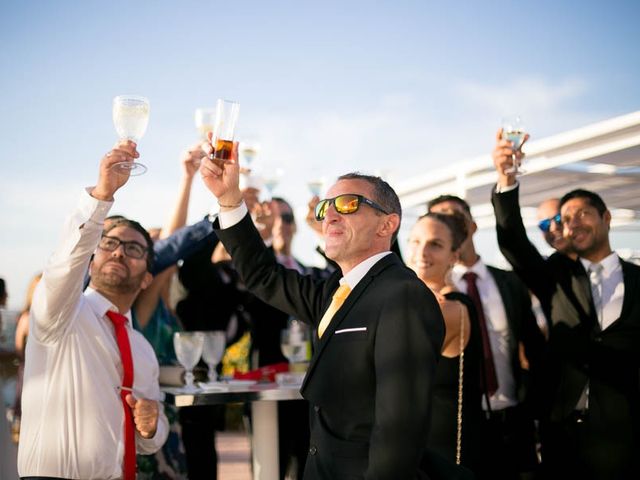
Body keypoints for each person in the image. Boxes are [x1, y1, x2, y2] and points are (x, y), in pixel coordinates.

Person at [199, 139, 445, 479]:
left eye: (346, 204)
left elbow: (399, 431)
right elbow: (264, 276)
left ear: (387, 224)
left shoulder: (402, 296)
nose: (328, 214)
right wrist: (229, 199)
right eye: (323, 208)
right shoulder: (336, 291)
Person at [491, 129, 640, 479]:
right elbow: (513, 242)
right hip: (562, 428)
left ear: (607, 218)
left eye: (583, 213)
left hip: (626, 430)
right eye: (566, 218)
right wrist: (506, 179)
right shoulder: (555, 274)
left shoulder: (638, 279)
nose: (572, 223)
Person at [17, 141, 169, 479]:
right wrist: (102, 195)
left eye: (133, 249)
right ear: (93, 256)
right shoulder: (61, 313)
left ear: (146, 279)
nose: (118, 253)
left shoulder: (142, 350)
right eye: (110, 244)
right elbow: (63, 264)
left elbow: (150, 440)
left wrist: (152, 426)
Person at [428, 194, 544, 479]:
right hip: (462, 425)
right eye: (440, 219)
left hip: (514, 417)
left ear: (473, 225)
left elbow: (535, 348)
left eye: (455, 216)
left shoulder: (508, 281)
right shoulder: (431, 294)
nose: (449, 223)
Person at [406, 212, 484, 475]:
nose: (422, 251)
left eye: (435, 244)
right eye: (415, 241)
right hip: (422, 443)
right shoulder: (423, 302)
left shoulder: (450, 308)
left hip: (443, 450)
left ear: (453, 256)